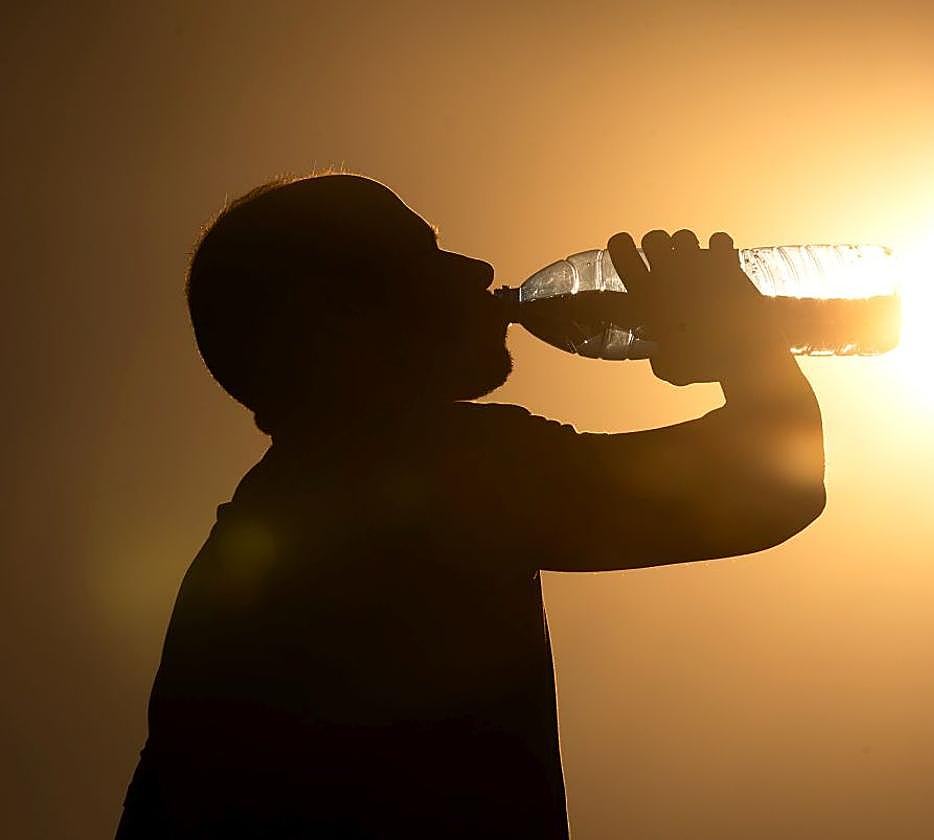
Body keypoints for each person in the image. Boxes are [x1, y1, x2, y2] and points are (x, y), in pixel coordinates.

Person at [116, 173, 826, 839]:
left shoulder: (237, 565)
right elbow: (768, 486)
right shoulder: (426, 467)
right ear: (336, 323)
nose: (479, 270)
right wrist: (743, 339)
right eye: (424, 256)